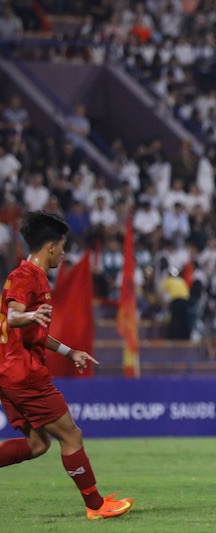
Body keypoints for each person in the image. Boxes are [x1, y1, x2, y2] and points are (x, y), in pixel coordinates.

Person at [0, 211, 134, 520]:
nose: (64, 252)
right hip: (25, 376)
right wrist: (28, 315)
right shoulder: (27, 277)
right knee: (71, 436)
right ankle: (96, 505)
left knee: (37, 445)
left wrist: (68, 350)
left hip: (9, 372)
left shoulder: (24, 275)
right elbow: (14, 315)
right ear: (49, 247)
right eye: (62, 246)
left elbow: (34, 331)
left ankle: (95, 502)